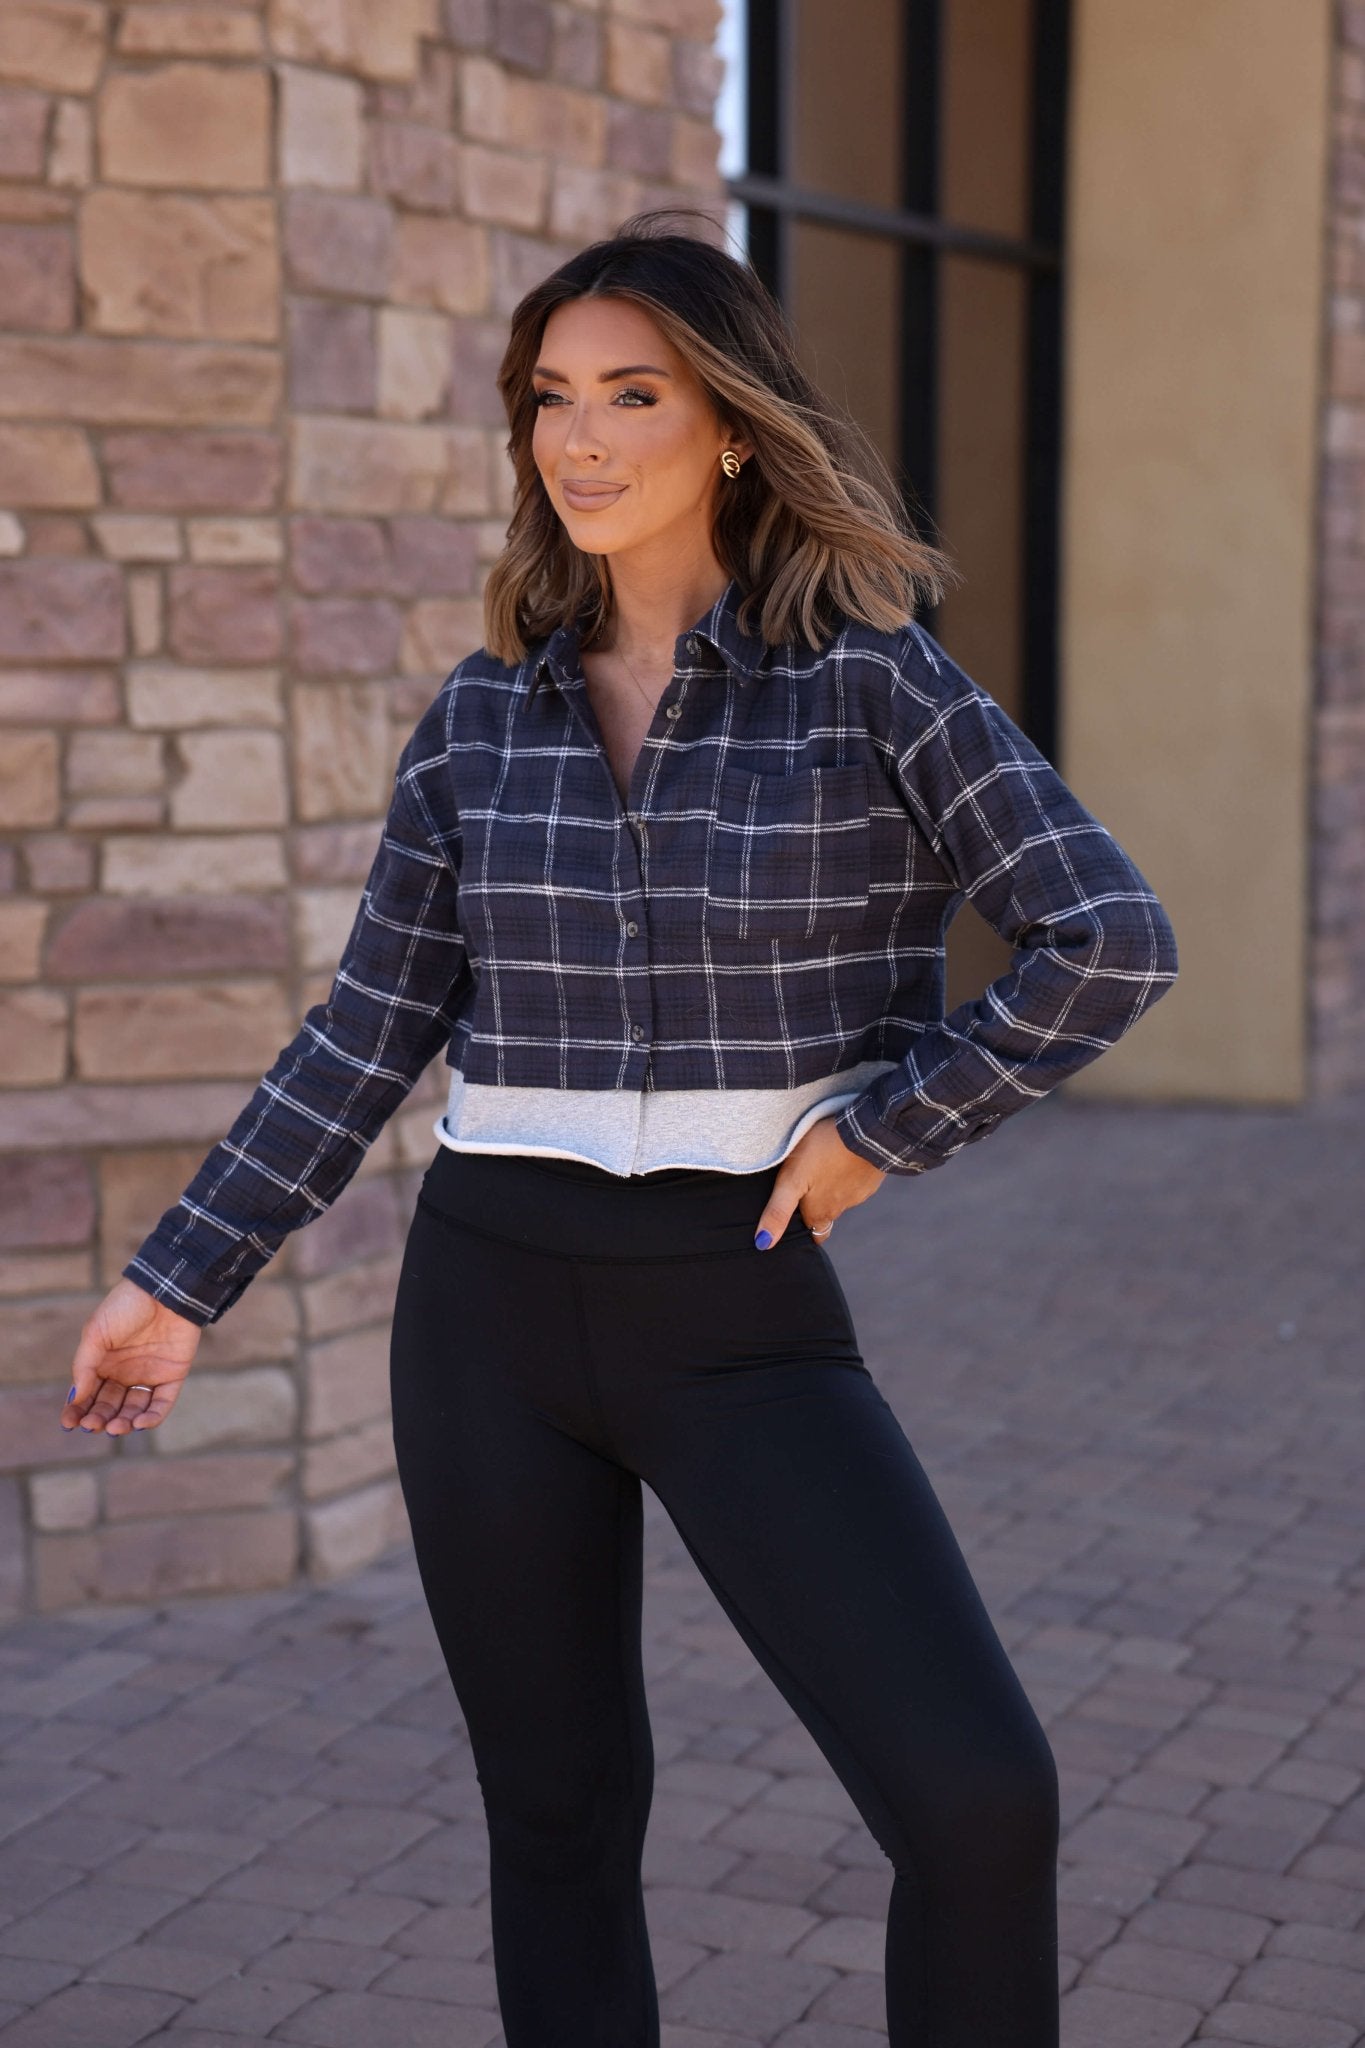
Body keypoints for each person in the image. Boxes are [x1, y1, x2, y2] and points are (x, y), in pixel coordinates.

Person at [60, 209, 1178, 2046]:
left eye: (630, 395)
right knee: (560, 1823)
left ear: (728, 424)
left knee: (978, 1802)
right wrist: (177, 1283)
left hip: (735, 1316)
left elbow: (1105, 935)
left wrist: (894, 1126)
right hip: (487, 1308)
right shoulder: (479, 724)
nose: (577, 438)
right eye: (549, 399)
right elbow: (365, 1034)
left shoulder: (869, 682)